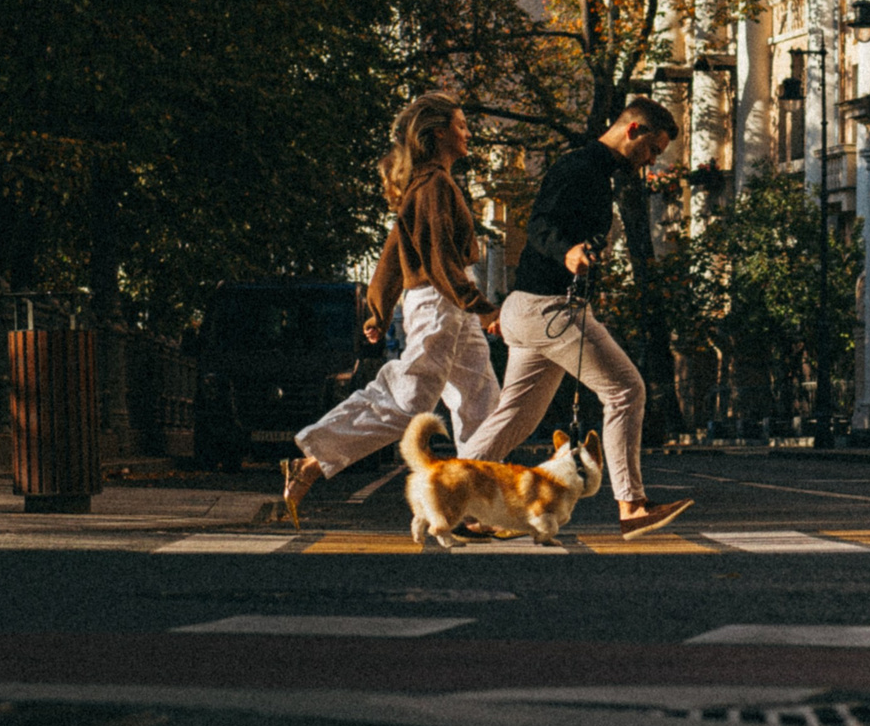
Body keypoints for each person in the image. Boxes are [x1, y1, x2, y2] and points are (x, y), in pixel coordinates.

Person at [457, 98, 691, 537]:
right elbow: (541, 224)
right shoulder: (579, 168)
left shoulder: (598, 174)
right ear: (634, 129)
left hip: (529, 309)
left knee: (516, 418)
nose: (653, 160)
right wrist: (568, 251)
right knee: (625, 390)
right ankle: (632, 504)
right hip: (550, 308)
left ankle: (457, 499)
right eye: (653, 148)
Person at [279, 93, 501, 518]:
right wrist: (481, 306)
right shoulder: (434, 185)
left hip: (444, 301)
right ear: (438, 133)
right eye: (460, 125)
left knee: (481, 400)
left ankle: (476, 505)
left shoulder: (427, 183)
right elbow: (439, 258)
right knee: (411, 402)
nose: (467, 132)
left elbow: (393, 251)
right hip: (441, 300)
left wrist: (378, 309)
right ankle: (312, 458)